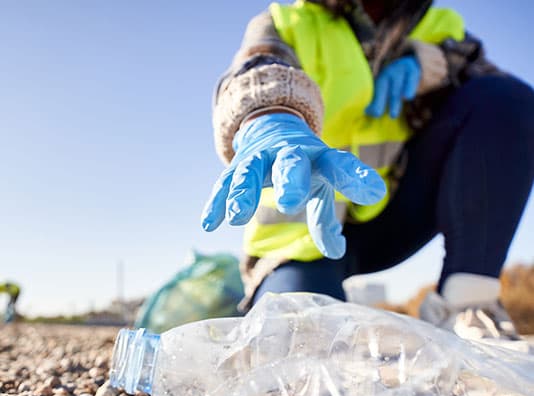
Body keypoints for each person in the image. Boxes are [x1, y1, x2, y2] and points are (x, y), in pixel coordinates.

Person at [202, 0, 534, 345]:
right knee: (301, 344)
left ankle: (468, 302)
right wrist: (270, 113)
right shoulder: (286, 23)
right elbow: (256, 67)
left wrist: (438, 63)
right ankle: (275, 301)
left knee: (505, 99)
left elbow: (505, 112)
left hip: (391, 215)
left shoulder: (438, 26)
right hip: (299, 238)